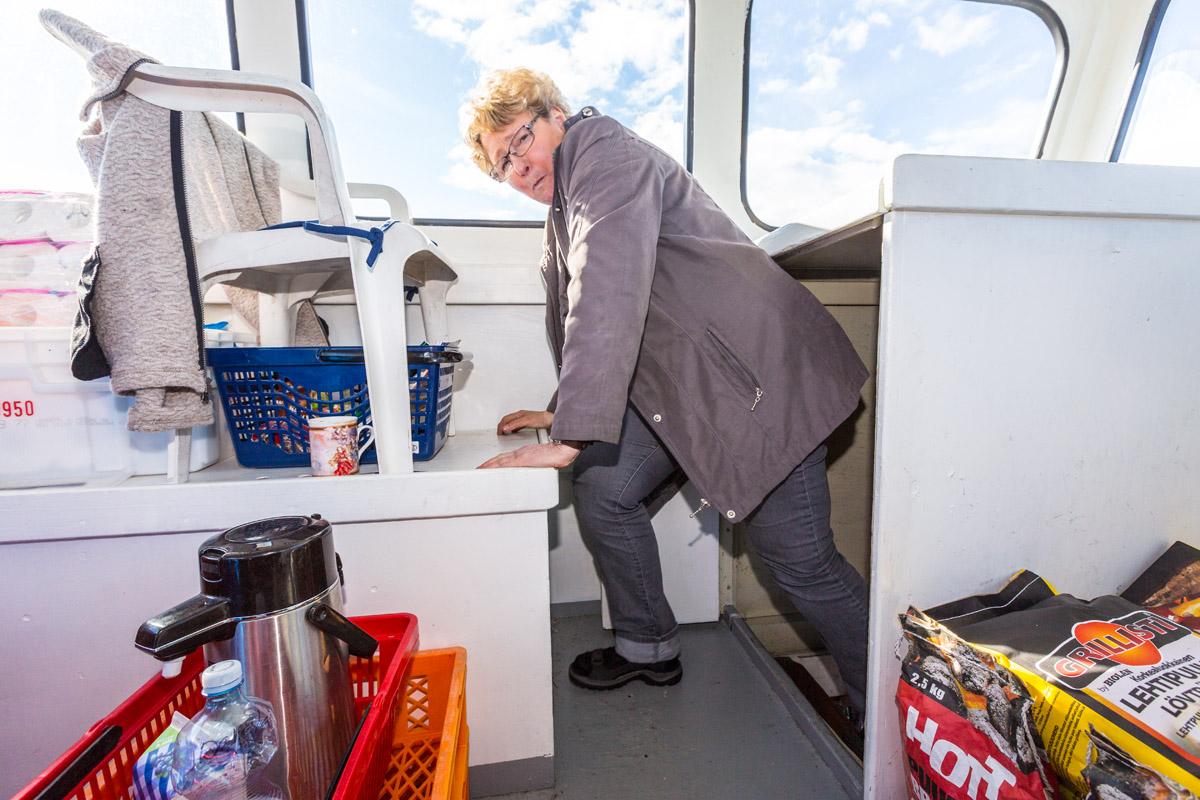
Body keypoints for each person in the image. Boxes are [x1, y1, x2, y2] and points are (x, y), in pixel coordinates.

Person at [470, 68, 871, 714]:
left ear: (557, 115)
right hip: (694, 388)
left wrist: (573, 431)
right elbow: (602, 320)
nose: (517, 166)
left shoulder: (600, 150)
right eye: (502, 164)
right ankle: (647, 647)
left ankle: (886, 705)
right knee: (605, 487)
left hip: (757, 380)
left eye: (520, 140)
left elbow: (609, 276)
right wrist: (560, 409)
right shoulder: (564, 207)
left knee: (800, 561)